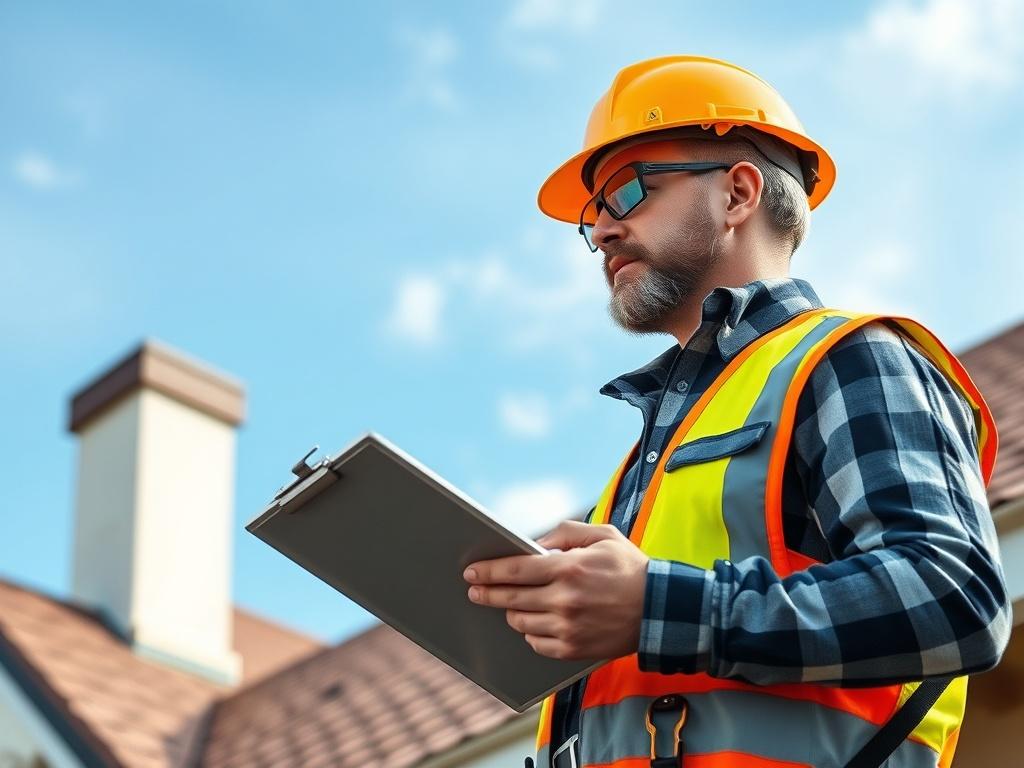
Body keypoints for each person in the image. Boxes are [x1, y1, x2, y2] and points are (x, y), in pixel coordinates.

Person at [461, 55, 1011, 767]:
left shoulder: (849, 357)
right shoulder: (648, 458)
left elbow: (955, 594)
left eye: (626, 192)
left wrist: (656, 607)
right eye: (591, 217)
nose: (600, 232)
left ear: (739, 193)